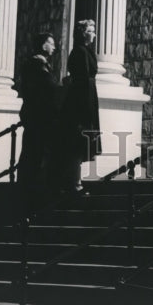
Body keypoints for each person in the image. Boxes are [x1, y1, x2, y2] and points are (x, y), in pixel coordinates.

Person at [60, 18, 102, 194]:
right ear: (84, 33)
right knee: (78, 142)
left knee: (80, 142)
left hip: (87, 96)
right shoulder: (80, 52)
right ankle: (74, 183)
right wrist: (87, 109)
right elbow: (83, 79)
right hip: (82, 100)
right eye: (91, 30)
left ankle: (75, 182)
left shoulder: (85, 51)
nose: (94, 33)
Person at [17, 31, 60, 197]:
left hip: (37, 116)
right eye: (51, 43)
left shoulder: (40, 65)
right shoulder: (35, 65)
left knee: (33, 152)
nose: (54, 46)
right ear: (43, 46)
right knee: (35, 153)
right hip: (38, 117)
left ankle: (31, 188)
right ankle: (31, 190)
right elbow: (45, 88)